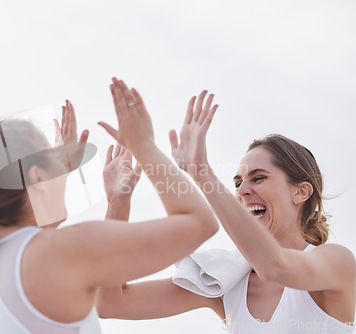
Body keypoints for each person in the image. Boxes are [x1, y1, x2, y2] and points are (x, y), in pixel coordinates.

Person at [0, 78, 219, 333]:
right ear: (37, 178)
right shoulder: (62, 251)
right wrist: (144, 146)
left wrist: (114, 199)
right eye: (54, 161)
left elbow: (26, 251)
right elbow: (199, 223)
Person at [96, 90, 356, 333]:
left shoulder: (337, 263)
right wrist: (118, 203)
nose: (242, 190)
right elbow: (110, 304)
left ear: (300, 192)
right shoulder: (227, 280)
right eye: (238, 183)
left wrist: (201, 171)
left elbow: (275, 267)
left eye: (259, 178)